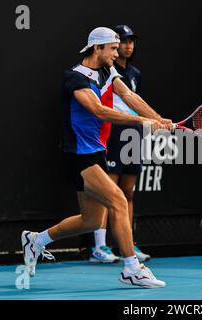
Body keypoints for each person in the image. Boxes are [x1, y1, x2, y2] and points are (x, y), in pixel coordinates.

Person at [21, 27, 171, 288]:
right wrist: (144, 122)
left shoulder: (108, 71)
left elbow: (128, 95)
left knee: (90, 220)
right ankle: (132, 269)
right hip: (78, 156)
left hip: (95, 153)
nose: (117, 52)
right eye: (112, 48)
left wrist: (157, 118)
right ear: (96, 48)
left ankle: (36, 241)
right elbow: (99, 111)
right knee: (119, 201)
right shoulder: (74, 77)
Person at [89, 24, 150, 264]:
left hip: (133, 132)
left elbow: (136, 102)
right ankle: (99, 247)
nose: (127, 46)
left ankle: (128, 243)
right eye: (122, 42)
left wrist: (154, 120)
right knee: (109, 191)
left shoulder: (135, 74)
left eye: (131, 41)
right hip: (112, 131)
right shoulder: (105, 71)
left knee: (128, 193)